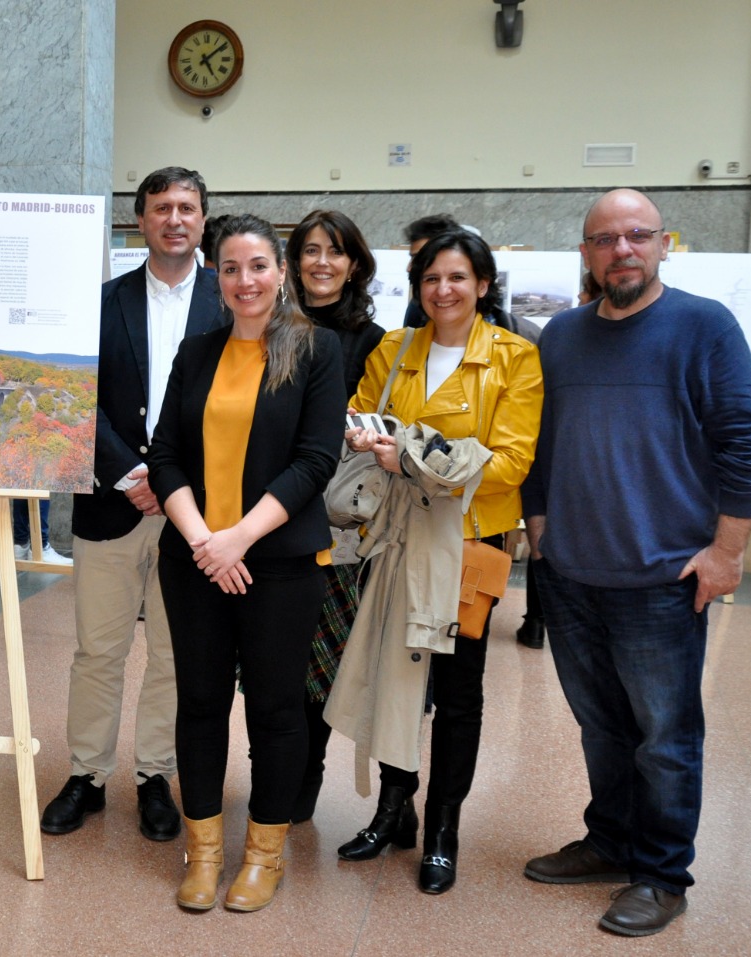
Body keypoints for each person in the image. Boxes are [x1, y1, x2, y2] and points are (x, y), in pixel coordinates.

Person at [521, 189, 751, 937]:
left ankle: (662, 873)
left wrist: (727, 553)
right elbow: (541, 443)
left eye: (637, 235)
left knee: (664, 737)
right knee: (600, 726)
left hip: (662, 581)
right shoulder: (561, 336)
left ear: (665, 243)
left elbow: (750, 441)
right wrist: (541, 528)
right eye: (605, 240)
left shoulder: (703, 326)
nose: (621, 250)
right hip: (570, 574)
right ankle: (610, 840)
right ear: (586, 253)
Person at [326, 228, 542, 895]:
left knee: (456, 694)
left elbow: (510, 464)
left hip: (471, 540)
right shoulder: (396, 348)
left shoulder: (515, 359)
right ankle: (395, 810)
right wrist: (363, 432)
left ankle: (444, 828)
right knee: (397, 677)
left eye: (456, 277)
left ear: (483, 284)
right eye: (430, 279)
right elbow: (363, 417)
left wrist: (414, 455)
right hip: (397, 538)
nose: (442, 290)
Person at [148, 213, 345, 911]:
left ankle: (265, 853)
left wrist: (238, 539)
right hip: (194, 557)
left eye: (257, 265)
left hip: (280, 563)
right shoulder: (197, 351)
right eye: (230, 268)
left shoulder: (316, 352)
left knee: (275, 708)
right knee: (200, 702)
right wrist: (206, 538)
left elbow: (315, 461)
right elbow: (165, 453)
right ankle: (203, 853)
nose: (245, 281)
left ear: (280, 272)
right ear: (216, 276)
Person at [40, 167, 226, 843]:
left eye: (186, 207)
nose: (174, 218)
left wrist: (173, 482)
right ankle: (86, 774)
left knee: (176, 653)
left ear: (204, 219)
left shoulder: (229, 302)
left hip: (197, 516)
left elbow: (239, 411)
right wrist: (129, 472)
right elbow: (73, 395)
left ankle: (155, 774)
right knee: (98, 650)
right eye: (160, 208)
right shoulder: (102, 301)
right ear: (139, 220)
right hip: (111, 504)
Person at [282, 209, 386, 822]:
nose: (322, 262)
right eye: (311, 250)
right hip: (265, 514)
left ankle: (303, 782)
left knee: (317, 663)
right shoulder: (267, 326)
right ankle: (274, 772)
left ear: (354, 265)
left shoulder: (374, 343)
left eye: (336, 251)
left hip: (333, 525)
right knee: (269, 660)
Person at [400, 214, 540, 344]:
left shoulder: (519, 346)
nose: (410, 267)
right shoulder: (403, 336)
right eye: (432, 278)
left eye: (456, 277)